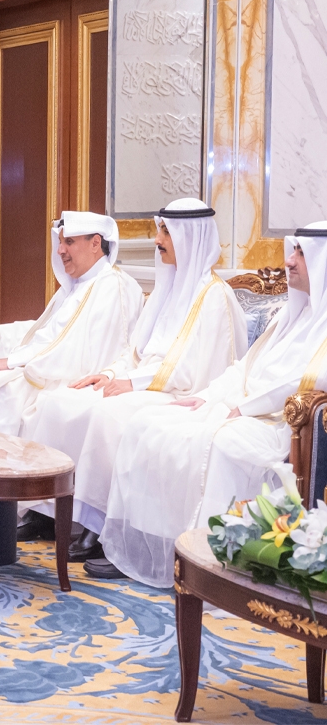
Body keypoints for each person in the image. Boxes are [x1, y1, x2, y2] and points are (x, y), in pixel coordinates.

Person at [94, 223, 327, 584]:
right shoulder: (291, 314)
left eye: (301, 254)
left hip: (281, 425)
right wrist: (205, 397)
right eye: (292, 251)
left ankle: (211, 566)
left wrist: (245, 408)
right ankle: (148, 548)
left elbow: (305, 383)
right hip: (238, 407)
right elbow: (243, 368)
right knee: (146, 424)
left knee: (221, 443)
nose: (289, 261)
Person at [20, 199, 248, 555]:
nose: (157, 240)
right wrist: (110, 373)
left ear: (190, 237)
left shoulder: (215, 296)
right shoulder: (169, 287)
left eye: (165, 233)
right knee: (59, 402)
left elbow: (192, 368)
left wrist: (132, 383)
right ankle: (47, 510)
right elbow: (137, 349)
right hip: (144, 381)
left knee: (106, 415)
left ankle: (99, 525)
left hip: (179, 393)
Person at [0, 212, 144, 437]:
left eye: (69, 242)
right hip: (47, 366)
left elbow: (80, 352)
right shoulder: (79, 284)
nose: (60, 250)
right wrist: (1, 333)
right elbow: (50, 330)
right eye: (61, 242)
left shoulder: (113, 287)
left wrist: (13, 361)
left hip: (66, 378)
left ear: (95, 243)